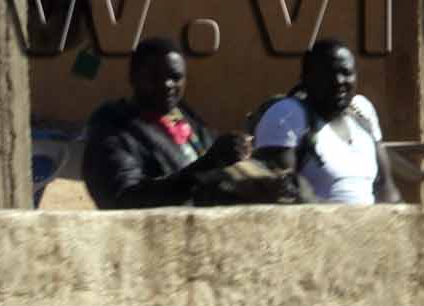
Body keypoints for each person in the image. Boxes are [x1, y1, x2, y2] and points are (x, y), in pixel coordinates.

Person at [80, 37, 253, 209]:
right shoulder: (113, 130)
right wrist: (208, 164)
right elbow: (123, 200)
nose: (167, 84)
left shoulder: (179, 115)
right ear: (133, 76)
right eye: (155, 77)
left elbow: (205, 156)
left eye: (175, 77)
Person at [252, 37, 400, 205]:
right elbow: (282, 196)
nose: (339, 81)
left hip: (372, 227)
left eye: (346, 73)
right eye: (327, 73)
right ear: (306, 78)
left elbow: (387, 188)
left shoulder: (363, 113)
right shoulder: (288, 115)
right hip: (314, 228)